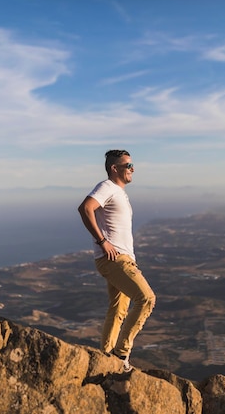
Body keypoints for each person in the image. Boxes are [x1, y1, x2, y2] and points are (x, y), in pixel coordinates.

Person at [77, 149, 156, 372]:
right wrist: (103, 241)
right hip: (114, 259)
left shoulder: (119, 192)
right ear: (115, 168)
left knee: (118, 310)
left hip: (121, 259)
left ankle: (106, 358)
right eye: (128, 165)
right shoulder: (107, 187)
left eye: (132, 165)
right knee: (146, 299)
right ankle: (121, 354)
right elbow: (85, 208)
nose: (133, 169)